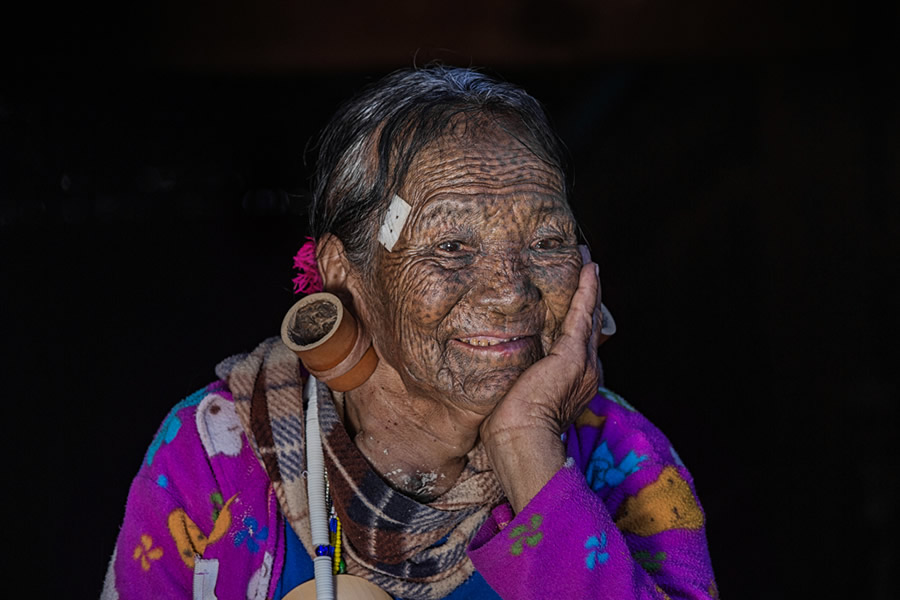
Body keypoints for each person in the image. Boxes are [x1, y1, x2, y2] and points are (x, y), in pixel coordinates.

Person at [102, 66, 716, 600]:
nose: (511, 291)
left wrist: (529, 445)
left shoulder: (620, 455)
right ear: (347, 273)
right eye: (451, 245)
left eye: (547, 242)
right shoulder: (215, 454)